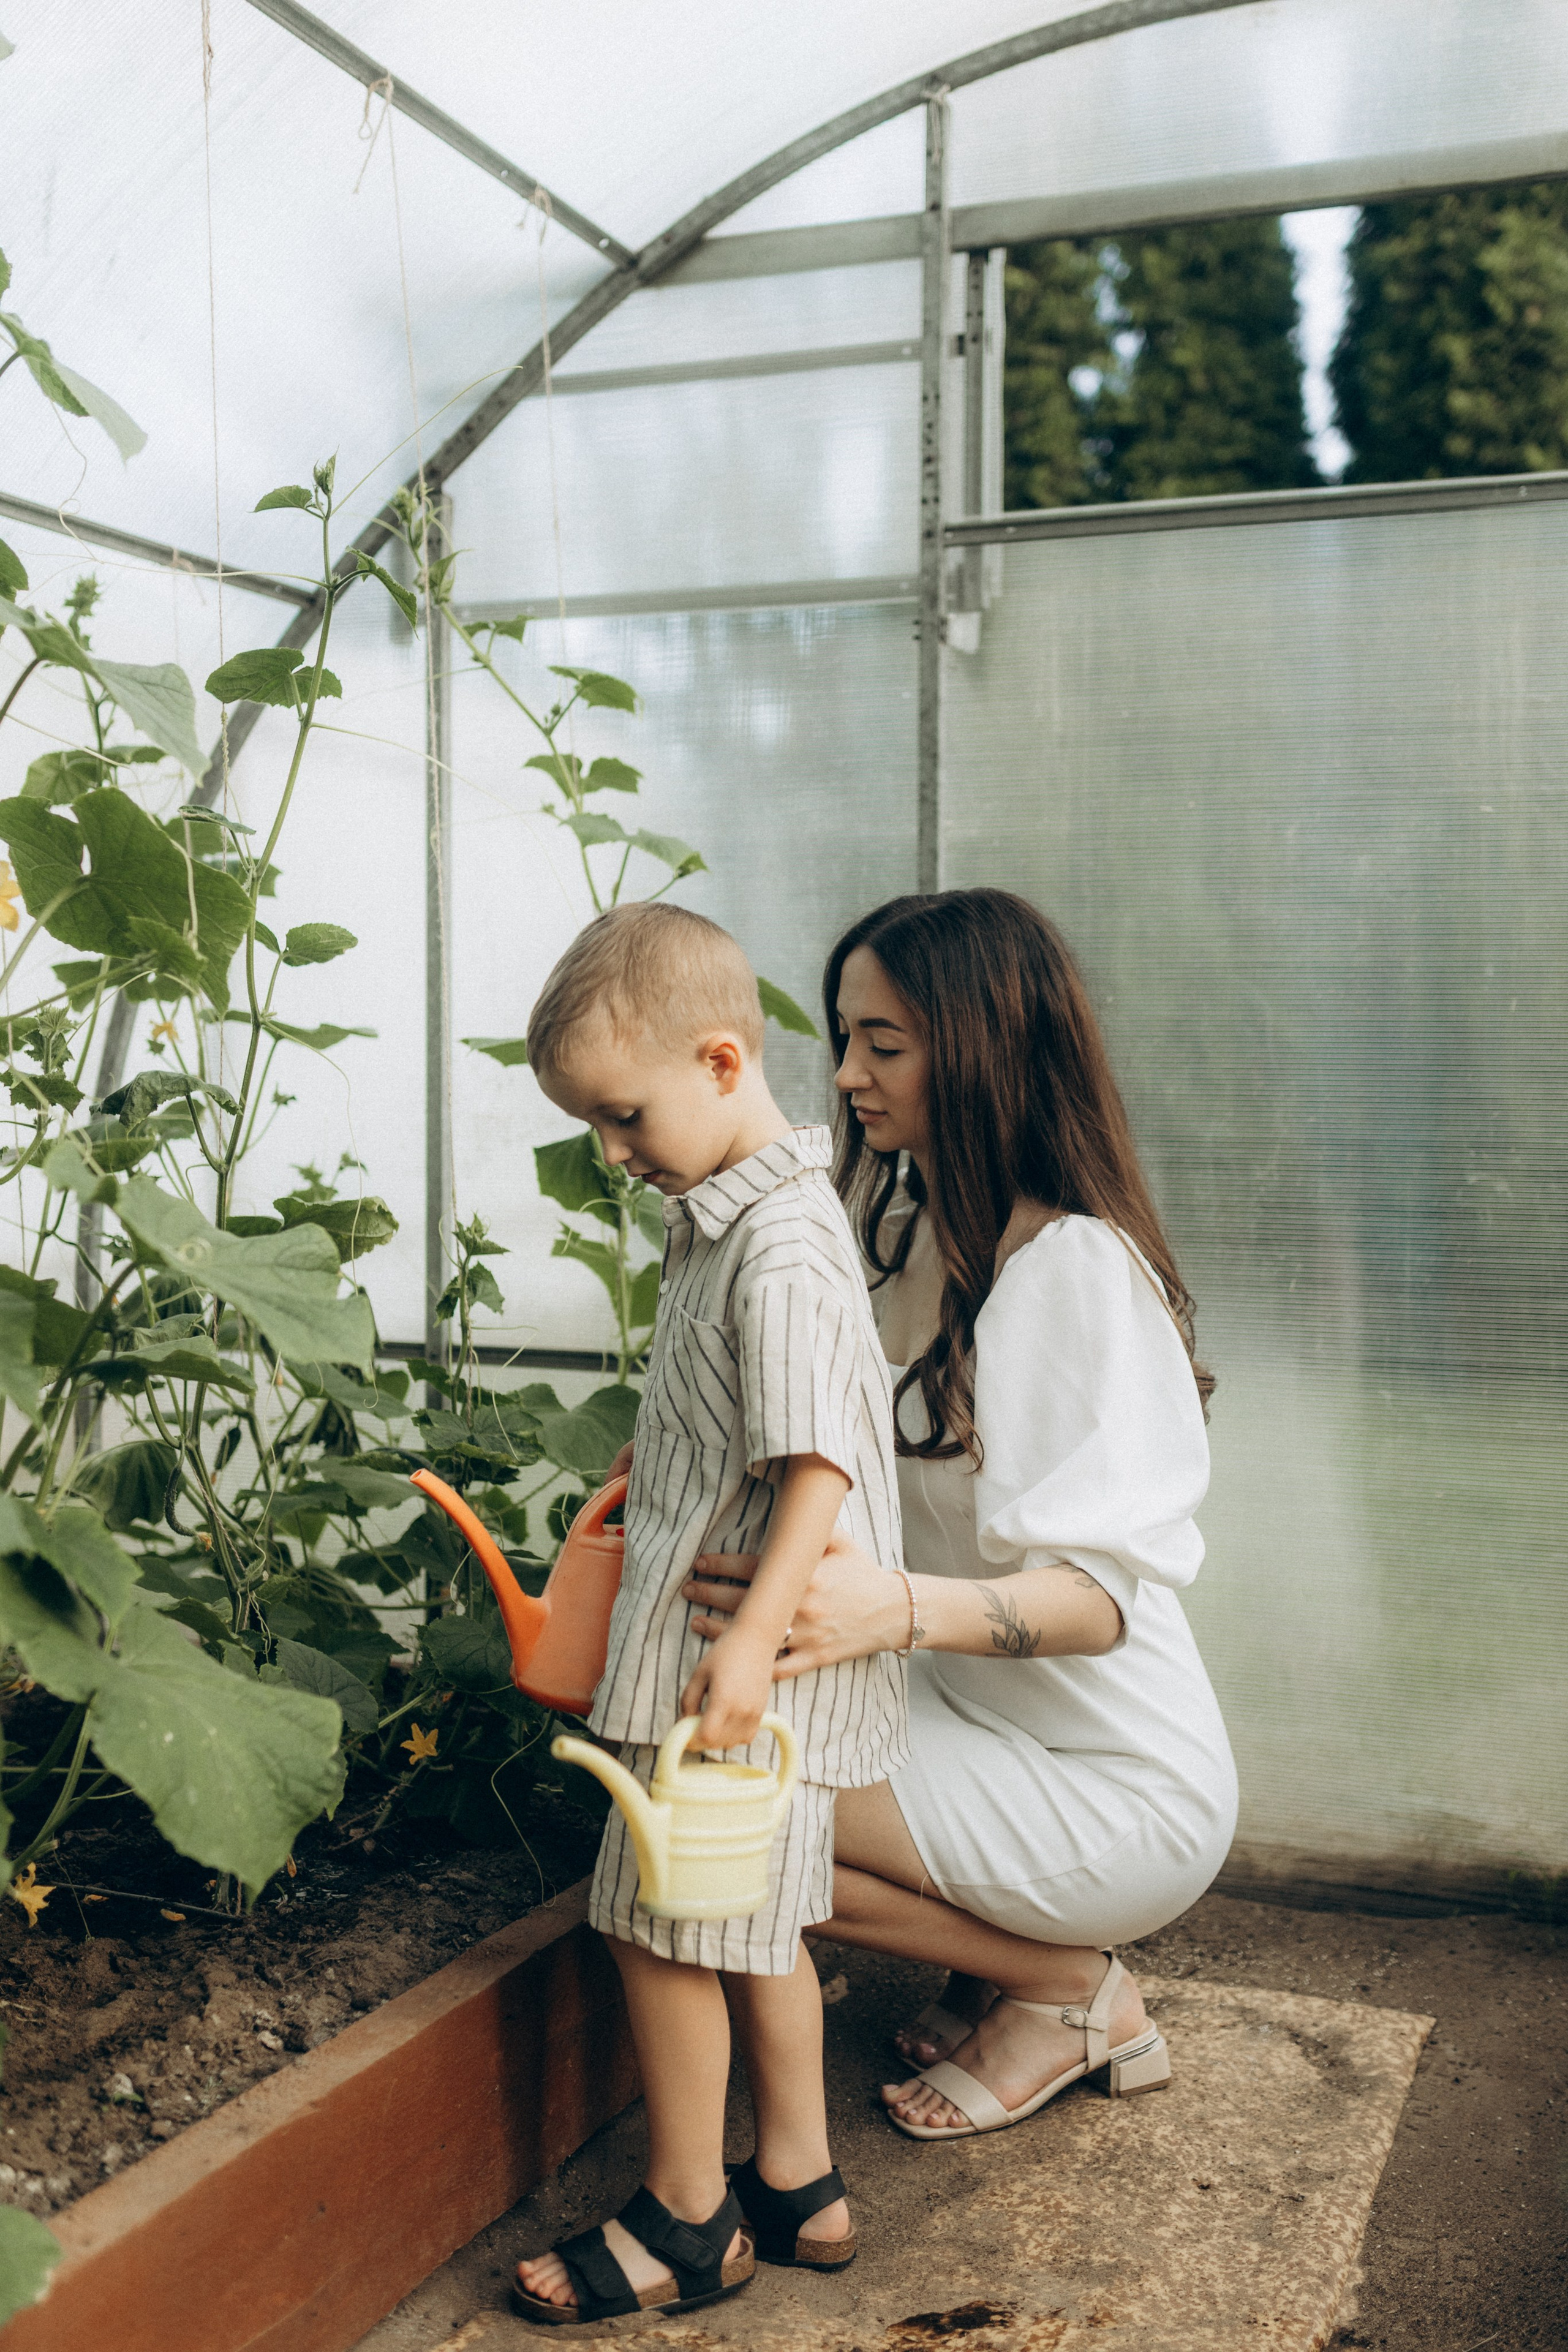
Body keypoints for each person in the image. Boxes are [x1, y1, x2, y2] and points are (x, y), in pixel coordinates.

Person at [681, 888, 1238, 2142]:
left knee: (738, 1813)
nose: (844, 1075)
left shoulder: (1077, 1273)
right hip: (976, 1716)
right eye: (841, 1039)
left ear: (984, 1047)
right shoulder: (902, 1231)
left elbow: (1096, 1605)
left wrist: (887, 1611)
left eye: (884, 1044)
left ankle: (1066, 1987)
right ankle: (1000, 1963)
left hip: (1115, 1784)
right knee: (704, 1722)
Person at [513, 902, 908, 2321]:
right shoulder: (729, 1215)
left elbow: (819, 1461)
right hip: (736, 1661)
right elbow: (753, 1410)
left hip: (724, 1673)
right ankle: (799, 2185)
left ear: (724, 1062)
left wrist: (746, 1643)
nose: (614, 1156)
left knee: (659, 1923)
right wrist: (658, 1457)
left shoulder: (779, 1245)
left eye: (623, 1120)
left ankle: (688, 2217)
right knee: (757, 1926)